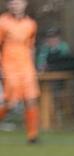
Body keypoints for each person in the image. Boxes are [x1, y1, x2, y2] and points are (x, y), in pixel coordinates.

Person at [0, 0, 39, 143]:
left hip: (26, 67)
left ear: (24, 4)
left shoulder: (30, 24)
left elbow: (31, 47)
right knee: (11, 103)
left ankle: (32, 136)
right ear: (8, 5)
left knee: (31, 99)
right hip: (9, 66)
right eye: (12, 3)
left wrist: (34, 66)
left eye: (18, 3)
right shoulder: (2, 22)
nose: (15, 6)